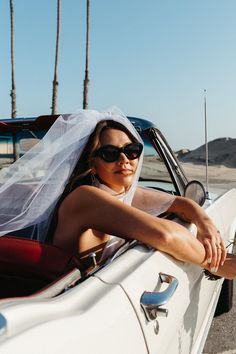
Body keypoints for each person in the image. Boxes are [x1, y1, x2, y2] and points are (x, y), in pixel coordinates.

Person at [0, 108, 235, 279]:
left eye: (132, 150)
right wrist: (218, 263)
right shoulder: (85, 198)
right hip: (81, 300)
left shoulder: (119, 192)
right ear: (92, 163)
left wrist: (204, 223)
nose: (124, 159)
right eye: (110, 153)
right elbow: (165, 235)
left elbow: (180, 203)